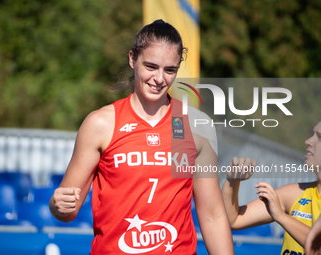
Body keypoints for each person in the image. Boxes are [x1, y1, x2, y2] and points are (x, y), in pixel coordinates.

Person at [49, 20, 234, 254]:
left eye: (169, 70)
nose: (159, 79)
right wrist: (58, 205)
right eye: (151, 66)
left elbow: (212, 215)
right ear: (132, 59)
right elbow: (66, 211)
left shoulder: (196, 126)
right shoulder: (101, 124)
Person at [222, 121, 321, 255]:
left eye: (319, 137)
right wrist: (232, 180)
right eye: (312, 134)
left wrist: (281, 216)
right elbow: (233, 220)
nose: (308, 141)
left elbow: (317, 247)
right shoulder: (296, 194)